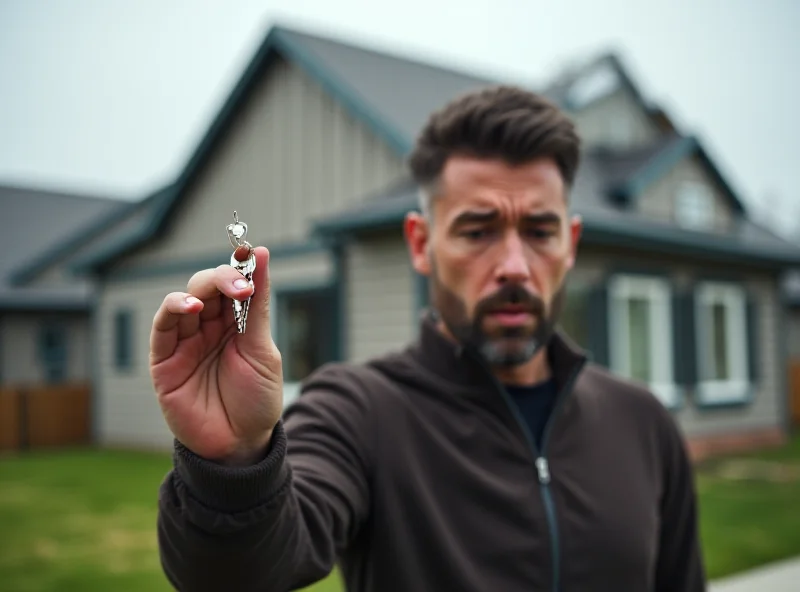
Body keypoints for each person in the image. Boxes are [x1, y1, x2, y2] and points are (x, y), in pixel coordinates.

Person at [151, 85, 707, 591]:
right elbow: (242, 572)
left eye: (540, 231)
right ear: (421, 243)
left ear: (572, 243)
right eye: (477, 230)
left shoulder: (643, 422)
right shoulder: (358, 412)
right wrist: (232, 463)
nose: (514, 265)